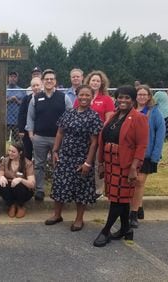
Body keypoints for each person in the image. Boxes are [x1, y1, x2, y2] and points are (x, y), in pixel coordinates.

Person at [93, 86, 149, 247]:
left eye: (127, 98)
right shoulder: (114, 117)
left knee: (117, 199)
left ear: (133, 100)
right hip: (110, 163)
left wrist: (133, 168)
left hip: (125, 164)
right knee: (120, 198)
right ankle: (126, 229)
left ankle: (106, 231)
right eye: (120, 97)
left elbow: (141, 145)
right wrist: (102, 163)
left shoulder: (139, 118)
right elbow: (104, 139)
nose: (123, 100)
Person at [46, 85, 103, 231]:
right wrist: (55, 151)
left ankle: (79, 219)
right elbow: (60, 132)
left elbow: (94, 142)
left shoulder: (93, 116)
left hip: (81, 158)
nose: (84, 97)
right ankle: (57, 215)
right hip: (65, 156)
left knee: (81, 189)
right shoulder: (69, 113)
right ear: (77, 95)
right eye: (81, 95)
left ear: (92, 97)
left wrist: (88, 163)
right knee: (59, 186)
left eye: (87, 95)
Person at [26, 69, 73, 201]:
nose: (49, 81)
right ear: (42, 81)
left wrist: (66, 135)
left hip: (58, 138)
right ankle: (40, 190)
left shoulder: (64, 97)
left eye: (51, 79)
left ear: (55, 81)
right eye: (46, 79)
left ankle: (57, 188)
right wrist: (31, 134)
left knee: (58, 164)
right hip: (39, 138)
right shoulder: (35, 98)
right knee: (39, 164)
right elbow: (30, 117)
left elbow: (70, 116)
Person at [75, 70, 115, 198]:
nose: (95, 83)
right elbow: (76, 114)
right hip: (82, 137)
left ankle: (98, 189)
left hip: (99, 136)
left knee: (98, 162)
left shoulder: (106, 99)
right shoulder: (82, 96)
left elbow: (109, 118)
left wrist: (98, 130)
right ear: (88, 81)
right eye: (93, 80)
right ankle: (81, 185)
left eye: (98, 81)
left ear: (101, 83)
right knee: (83, 160)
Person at [130, 85, 165, 228]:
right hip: (131, 154)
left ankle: (132, 214)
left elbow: (160, 135)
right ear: (135, 96)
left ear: (149, 96)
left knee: (139, 182)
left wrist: (155, 156)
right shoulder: (130, 111)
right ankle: (139, 206)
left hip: (147, 154)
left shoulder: (155, 112)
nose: (142, 97)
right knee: (132, 182)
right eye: (139, 94)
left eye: (145, 94)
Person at [0, 142, 35, 218]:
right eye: (9, 150)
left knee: (18, 184)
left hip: (23, 191)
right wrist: (1, 177)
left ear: (20, 152)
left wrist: (21, 180)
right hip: (10, 188)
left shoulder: (28, 163)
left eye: (13, 152)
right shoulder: (5, 161)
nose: (10, 153)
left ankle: (20, 206)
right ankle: (11, 205)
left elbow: (32, 184)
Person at [19, 70, 43, 160]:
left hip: (40, 131)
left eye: (37, 85)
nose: (36, 87)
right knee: (27, 151)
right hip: (27, 129)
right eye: (34, 86)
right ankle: (27, 170)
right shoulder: (26, 99)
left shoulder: (45, 98)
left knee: (39, 153)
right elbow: (21, 114)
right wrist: (21, 129)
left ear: (41, 86)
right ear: (31, 87)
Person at [6, 71, 26, 142]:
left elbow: (24, 104)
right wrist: (9, 100)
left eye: (14, 77)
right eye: (11, 76)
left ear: (17, 79)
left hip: (17, 121)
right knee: (3, 141)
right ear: (8, 78)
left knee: (18, 141)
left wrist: (17, 100)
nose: (12, 78)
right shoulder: (3, 89)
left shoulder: (21, 90)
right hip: (5, 120)